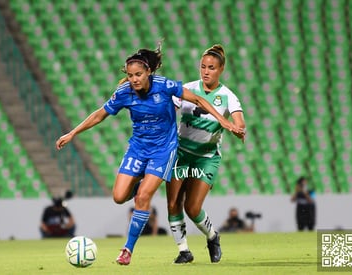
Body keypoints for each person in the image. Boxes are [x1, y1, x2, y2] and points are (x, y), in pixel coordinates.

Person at [55, 42, 244, 265]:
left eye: (138, 74)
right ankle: (143, 185)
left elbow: (199, 101)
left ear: (148, 72)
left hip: (165, 151)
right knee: (119, 197)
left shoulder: (166, 86)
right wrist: (73, 132)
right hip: (138, 148)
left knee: (150, 198)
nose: (134, 79)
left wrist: (226, 122)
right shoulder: (124, 92)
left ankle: (128, 249)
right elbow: (100, 114)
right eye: (130, 75)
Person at [167, 44, 246, 264]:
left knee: (192, 207)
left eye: (211, 67)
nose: (206, 71)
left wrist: (239, 129)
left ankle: (212, 236)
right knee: (173, 203)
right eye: (203, 66)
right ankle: (184, 250)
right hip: (180, 154)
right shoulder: (187, 89)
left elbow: (239, 120)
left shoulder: (228, 96)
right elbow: (169, 109)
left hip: (206, 158)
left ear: (221, 69)